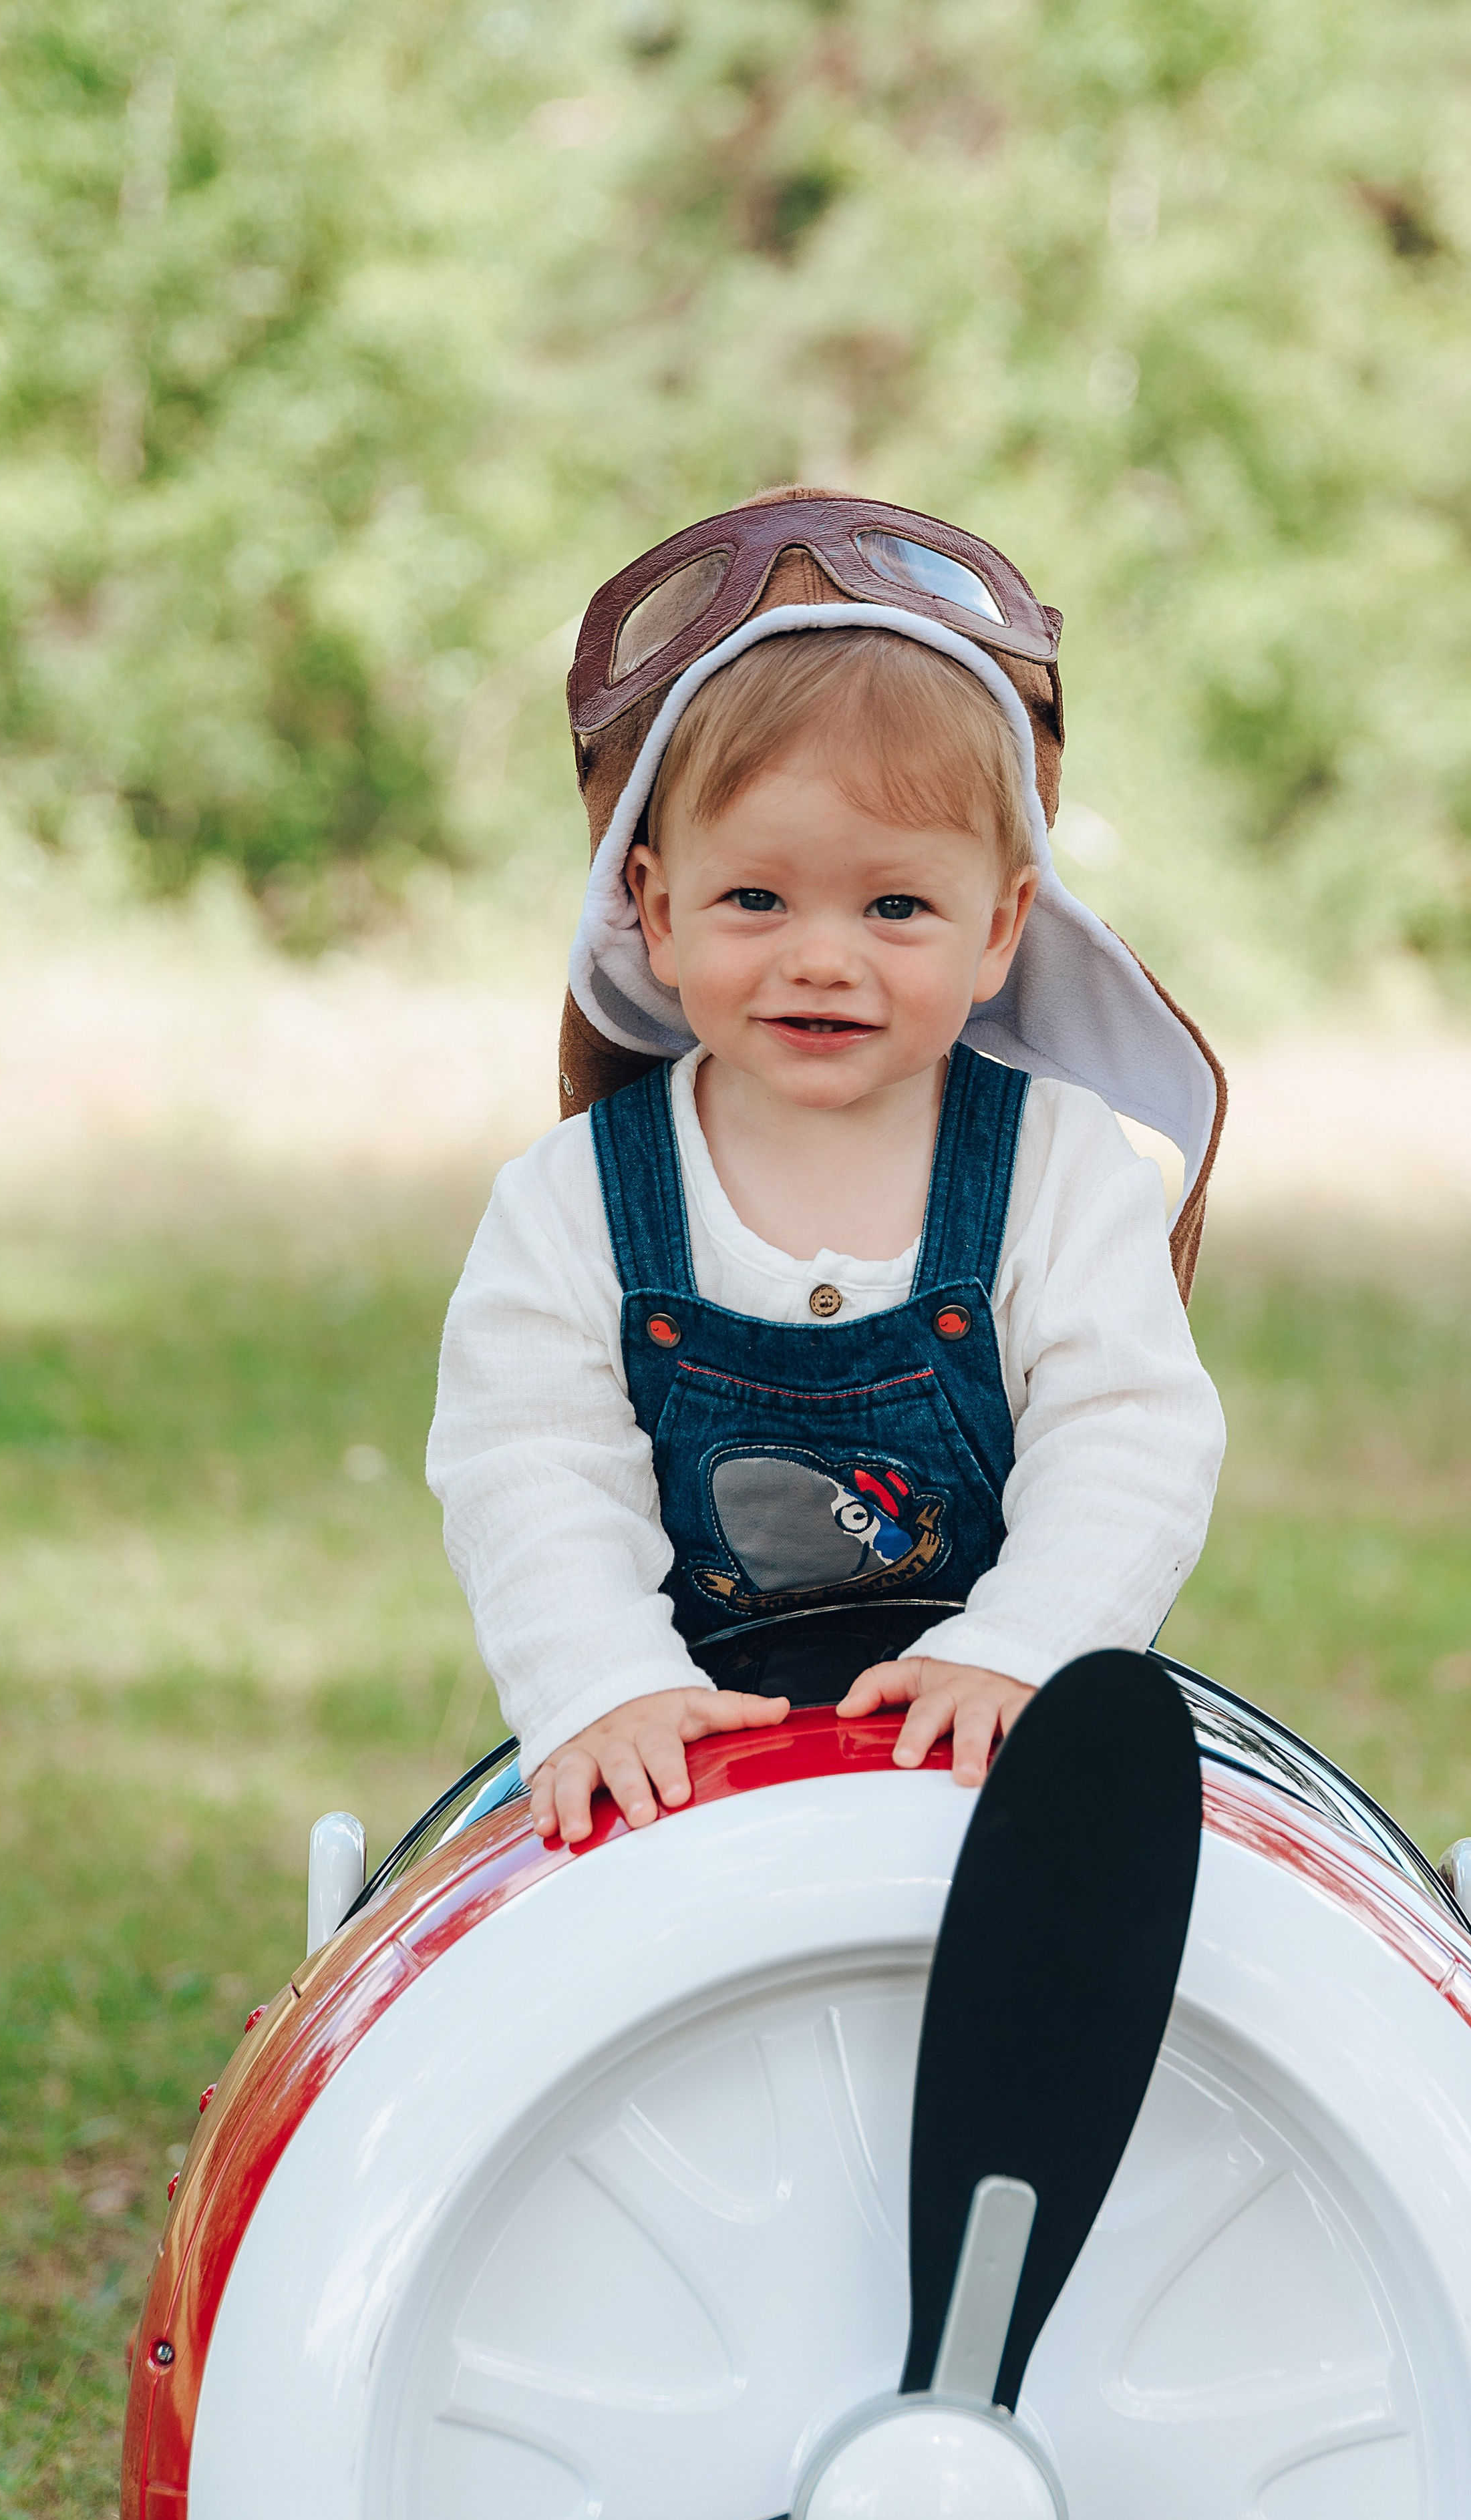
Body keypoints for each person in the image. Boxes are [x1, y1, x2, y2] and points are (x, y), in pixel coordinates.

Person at [426, 489, 1228, 1847]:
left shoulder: (1052, 1164)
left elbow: (1128, 1431)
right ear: (656, 908)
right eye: (756, 898)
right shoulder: (573, 1202)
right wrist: (603, 1686)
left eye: (894, 905)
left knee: (1116, 1874)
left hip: (984, 1725)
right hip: (684, 1738)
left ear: (1000, 926)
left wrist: (1028, 1647)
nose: (821, 955)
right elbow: (530, 1465)